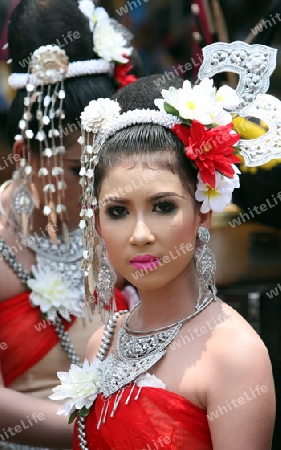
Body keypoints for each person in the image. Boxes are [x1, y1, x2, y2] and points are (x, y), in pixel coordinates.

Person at [52, 42, 279, 448]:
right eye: (118, 211)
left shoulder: (233, 356)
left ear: (203, 212)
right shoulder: (101, 344)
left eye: (162, 206)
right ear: (97, 222)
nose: (140, 233)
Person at [0, 0, 139, 448]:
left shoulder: (119, 218)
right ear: (23, 155)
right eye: (80, 167)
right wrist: (98, 430)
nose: (97, 187)